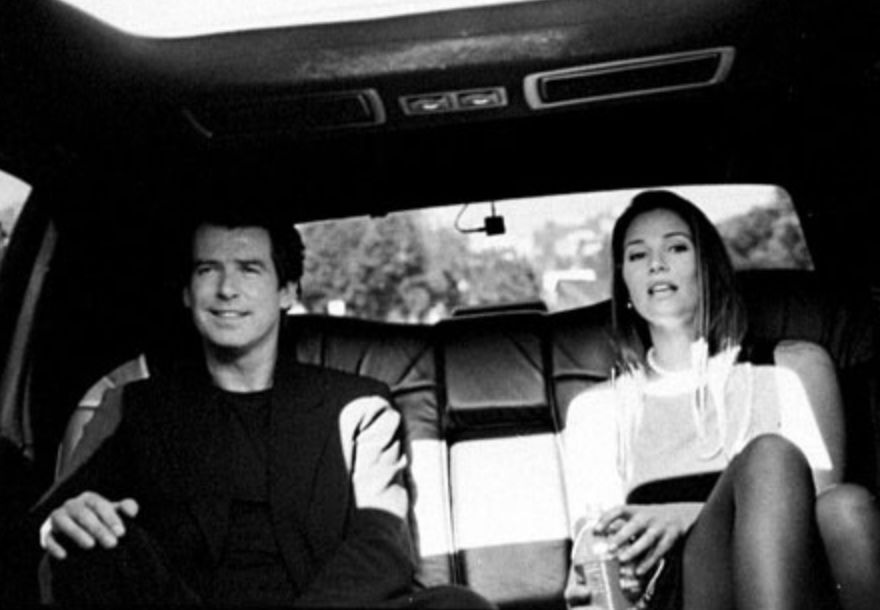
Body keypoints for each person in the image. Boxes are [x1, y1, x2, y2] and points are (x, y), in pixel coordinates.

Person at [28, 207, 495, 608]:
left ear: (287, 290)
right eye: (207, 269)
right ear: (187, 292)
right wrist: (59, 523)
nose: (226, 289)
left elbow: (382, 546)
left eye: (249, 269)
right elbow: (45, 526)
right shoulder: (138, 406)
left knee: (459, 605)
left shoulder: (358, 407)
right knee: (83, 542)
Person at [562, 190, 880, 609]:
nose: (656, 263)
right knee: (769, 456)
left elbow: (818, 514)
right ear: (624, 283)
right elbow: (598, 543)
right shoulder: (598, 409)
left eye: (676, 247)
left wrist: (680, 515)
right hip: (676, 590)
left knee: (845, 505)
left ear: (708, 267)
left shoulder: (790, 369)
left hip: (796, 576)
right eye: (637, 255)